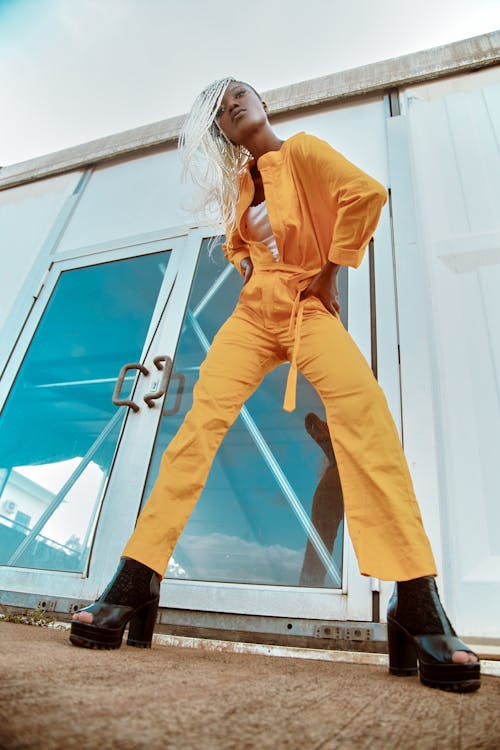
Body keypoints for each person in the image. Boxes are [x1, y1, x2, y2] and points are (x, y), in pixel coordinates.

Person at [70, 77, 480, 693]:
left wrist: (330, 275)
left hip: (308, 308)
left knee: (364, 417)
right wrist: (245, 265)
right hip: (252, 317)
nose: (233, 104)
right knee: (197, 431)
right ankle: (137, 577)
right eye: (221, 108)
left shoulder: (307, 151)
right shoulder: (242, 185)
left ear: (262, 103)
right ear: (223, 133)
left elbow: (364, 195)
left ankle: (415, 597)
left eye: (241, 94)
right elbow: (239, 242)